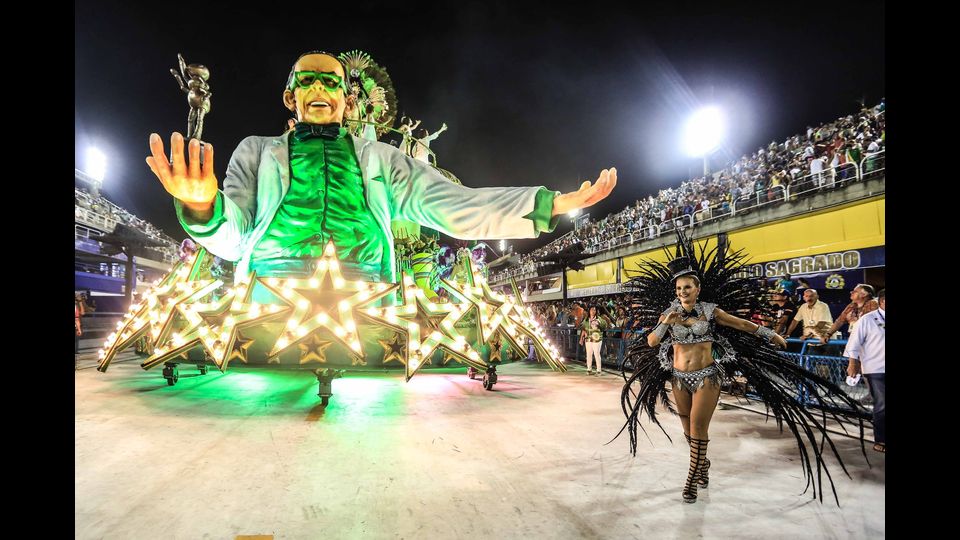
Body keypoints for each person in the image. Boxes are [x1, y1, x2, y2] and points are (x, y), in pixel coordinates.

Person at [145, 51, 617, 291]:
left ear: (348, 100)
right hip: (270, 291)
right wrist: (202, 205)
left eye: (330, 81)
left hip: (367, 296)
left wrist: (547, 204)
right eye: (306, 80)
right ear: (290, 98)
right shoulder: (256, 151)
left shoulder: (380, 158)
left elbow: (455, 206)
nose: (318, 89)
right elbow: (234, 240)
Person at [618, 230, 866, 505]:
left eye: (687, 287)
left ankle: (691, 478)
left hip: (707, 376)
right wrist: (667, 321)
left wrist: (770, 334)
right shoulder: (670, 313)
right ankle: (703, 463)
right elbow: (652, 341)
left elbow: (741, 324)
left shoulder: (711, 311)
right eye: (678, 289)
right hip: (678, 377)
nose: (682, 292)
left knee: (699, 427)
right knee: (687, 428)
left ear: (697, 288)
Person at [843, 289, 885, 453]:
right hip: (875, 369)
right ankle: (881, 440)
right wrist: (853, 364)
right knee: (882, 404)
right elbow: (853, 344)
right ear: (882, 301)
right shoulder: (867, 320)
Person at [579, 305, 609, 376]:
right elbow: (583, 329)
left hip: (597, 339)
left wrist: (599, 324)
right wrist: (581, 339)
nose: (593, 311)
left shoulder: (599, 319)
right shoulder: (586, 320)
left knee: (597, 354)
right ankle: (589, 369)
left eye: (594, 310)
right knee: (588, 354)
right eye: (592, 310)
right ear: (589, 311)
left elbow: (605, 326)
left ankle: (599, 371)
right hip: (588, 340)